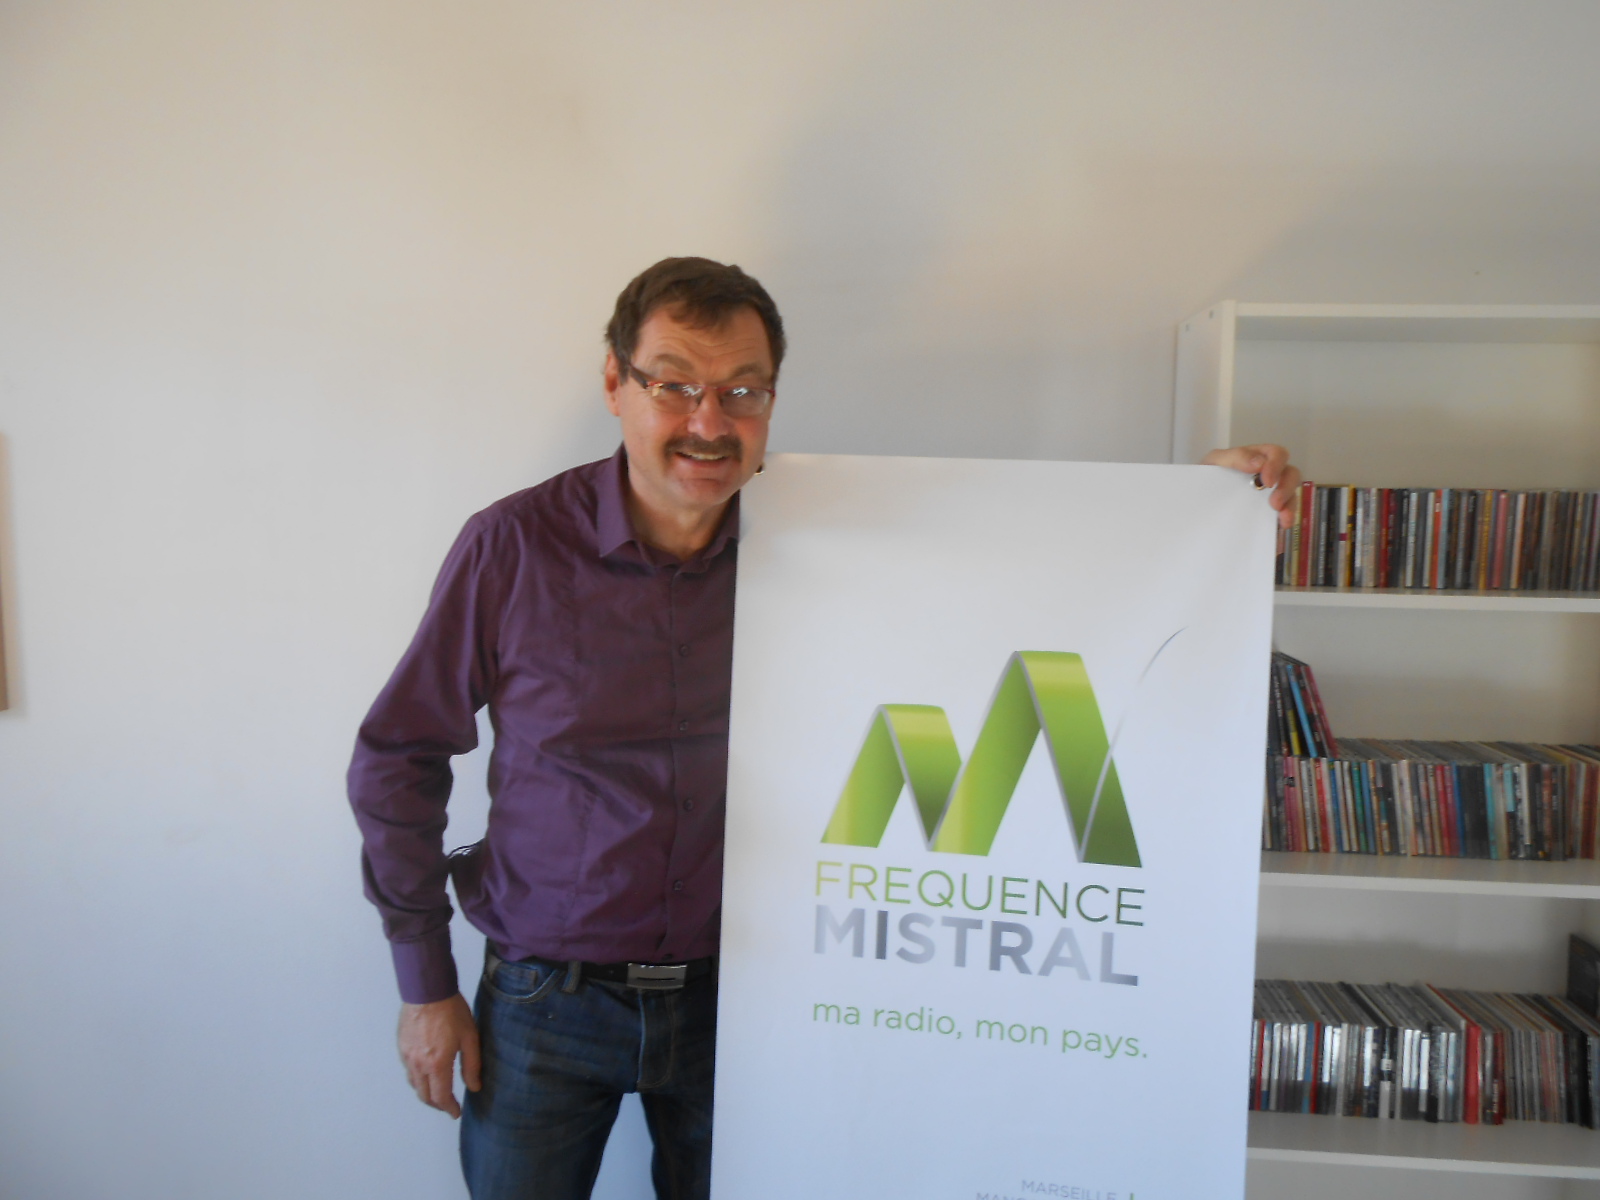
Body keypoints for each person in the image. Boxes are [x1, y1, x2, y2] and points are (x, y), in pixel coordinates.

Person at [346, 256, 1301, 1200]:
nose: (708, 422)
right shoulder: (513, 547)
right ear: (614, 382)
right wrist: (424, 984)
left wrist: (1202, 508)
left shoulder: (831, 536)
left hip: (756, 1006)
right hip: (543, 1003)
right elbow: (398, 757)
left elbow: (1021, 553)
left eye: (742, 390)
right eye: (674, 385)